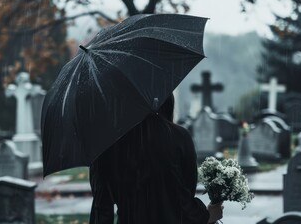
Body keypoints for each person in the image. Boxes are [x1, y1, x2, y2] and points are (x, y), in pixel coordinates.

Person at [89, 94, 224, 224]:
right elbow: (186, 194)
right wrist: (207, 215)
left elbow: (102, 208)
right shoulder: (179, 137)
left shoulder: (109, 145)